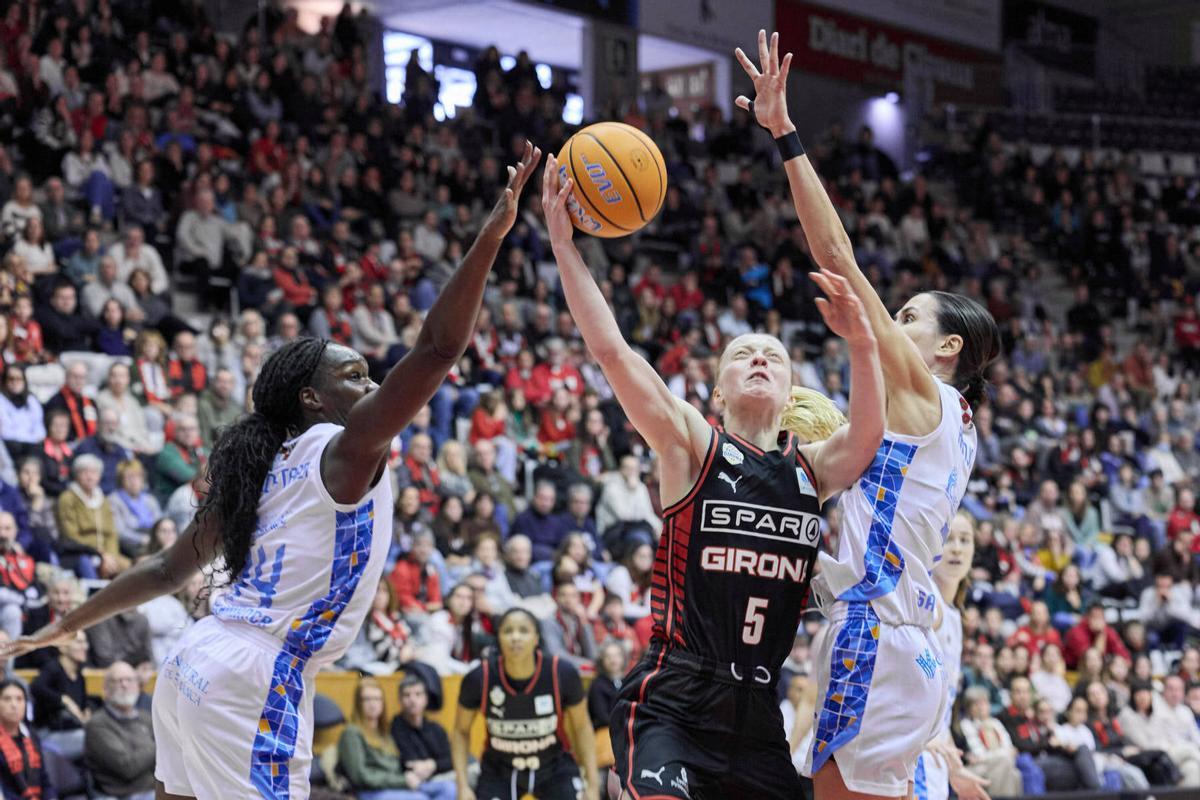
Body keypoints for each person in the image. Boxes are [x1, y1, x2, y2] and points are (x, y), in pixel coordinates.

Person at [0, 143, 542, 799]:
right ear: (312, 399)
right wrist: (492, 235)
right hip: (256, 681)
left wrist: (64, 625)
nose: (372, 384)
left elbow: (166, 570)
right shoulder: (342, 452)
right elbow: (437, 348)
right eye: (355, 375)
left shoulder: (264, 466)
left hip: (195, 662)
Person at [544, 132, 884, 798]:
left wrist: (864, 343)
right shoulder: (691, 445)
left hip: (758, 712)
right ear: (717, 391)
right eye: (742, 355)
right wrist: (564, 245)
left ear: (790, 395)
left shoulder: (809, 470)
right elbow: (613, 352)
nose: (759, 359)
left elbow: (868, 433)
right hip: (674, 697)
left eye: (774, 357)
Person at [735, 29, 1000, 799]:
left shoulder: (928, 392)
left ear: (946, 346)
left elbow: (838, 256)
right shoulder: (948, 423)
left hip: (874, 636)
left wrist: (785, 135)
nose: (898, 320)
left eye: (911, 315)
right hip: (903, 647)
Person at [451, 607, 598, 800]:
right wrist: (462, 786)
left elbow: (582, 727)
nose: (515, 637)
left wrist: (593, 785)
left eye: (523, 630)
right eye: (508, 631)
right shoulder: (479, 678)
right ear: (499, 638)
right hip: (499, 769)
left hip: (554, 767)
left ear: (536, 638)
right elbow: (460, 731)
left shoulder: (561, 673)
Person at [915, 512, 991, 800]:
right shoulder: (928, 604)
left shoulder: (954, 616)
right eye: (948, 539)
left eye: (965, 540)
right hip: (915, 752)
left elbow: (940, 705)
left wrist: (954, 768)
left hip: (935, 750)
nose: (957, 548)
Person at [338, 677, 438, 800]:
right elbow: (360, 777)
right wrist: (402, 780)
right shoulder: (352, 733)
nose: (373, 704)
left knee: (447, 789)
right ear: (358, 704)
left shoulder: (384, 732)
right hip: (370, 791)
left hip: (395, 786)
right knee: (420, 798)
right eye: (366, 699)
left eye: (377, 699)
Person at [85, 660, 155, 800]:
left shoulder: (146, 718)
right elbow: (128, 767)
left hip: (153, 788)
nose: (124, 685)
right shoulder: (97, 724)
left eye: (129, 680)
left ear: (137, 685)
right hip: (123, 794)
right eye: (117, 681)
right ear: (105, 689)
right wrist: (158, 744)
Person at [388, 675, 456, 800]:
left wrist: (433, 764)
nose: (412, 700)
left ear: (425, 699)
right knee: (448, 789)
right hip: (410, 782)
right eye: (407, 695)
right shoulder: (394, 728)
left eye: (418, 694)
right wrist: (431, 765)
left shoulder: (436, 729)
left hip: (438, 777)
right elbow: (408, 763)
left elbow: (451, 759)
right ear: (400, 700)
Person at [0, 679, 49, 800]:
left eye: (19, 699)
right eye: (7, 699)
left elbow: (44, 780)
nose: (14, 705)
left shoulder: (32, 736)